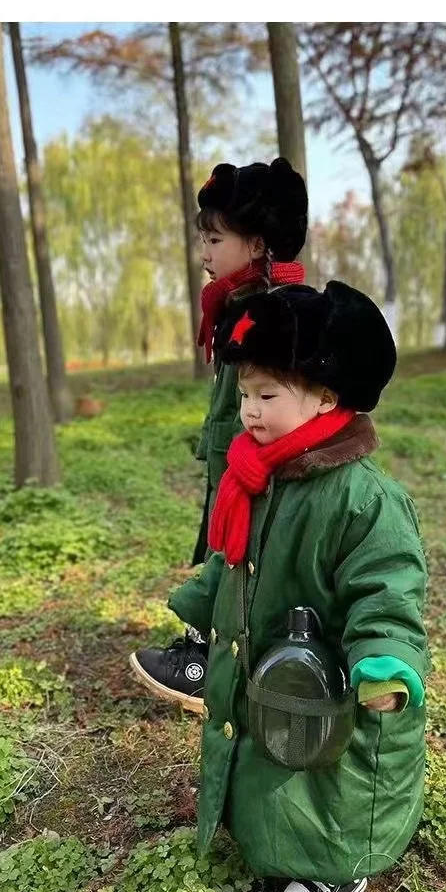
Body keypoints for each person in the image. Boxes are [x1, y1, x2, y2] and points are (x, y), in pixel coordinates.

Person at [165, 282, 430, 892]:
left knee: (327, 775)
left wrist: (386, 661)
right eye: (245, 394)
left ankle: (339, 867)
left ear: (326, 397)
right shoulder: (259, 474)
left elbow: (386, 588)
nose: (249, 411)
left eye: (267, 396)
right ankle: (263, 833)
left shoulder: (362, 500)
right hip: (278, 679)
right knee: (274, 753)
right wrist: (201, 599)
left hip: (338, 689)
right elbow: (236, 563)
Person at [129, 158, 308, 712]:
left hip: (253, 467)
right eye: (202, 239)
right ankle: (221, 653)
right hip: (230, 462)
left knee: (236, 554)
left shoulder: (272, 314)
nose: (204, 253)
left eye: (214, 239)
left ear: (255, 244)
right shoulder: (234, 307)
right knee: (223, 547)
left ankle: (208, 661)